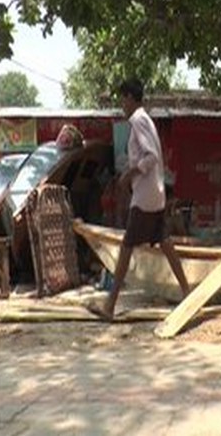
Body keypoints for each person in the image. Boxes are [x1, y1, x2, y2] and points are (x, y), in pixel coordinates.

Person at [89, 78, 190, 321]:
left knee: (126, 246)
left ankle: (110, 306)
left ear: (131, 98)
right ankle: (188, 293)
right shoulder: (146, 120)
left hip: (145, 196)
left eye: (123, 98)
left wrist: (129, 174)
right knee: (164, 242)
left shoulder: (137, 121)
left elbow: (151, 157)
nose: (122, 104)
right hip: (154, 194)